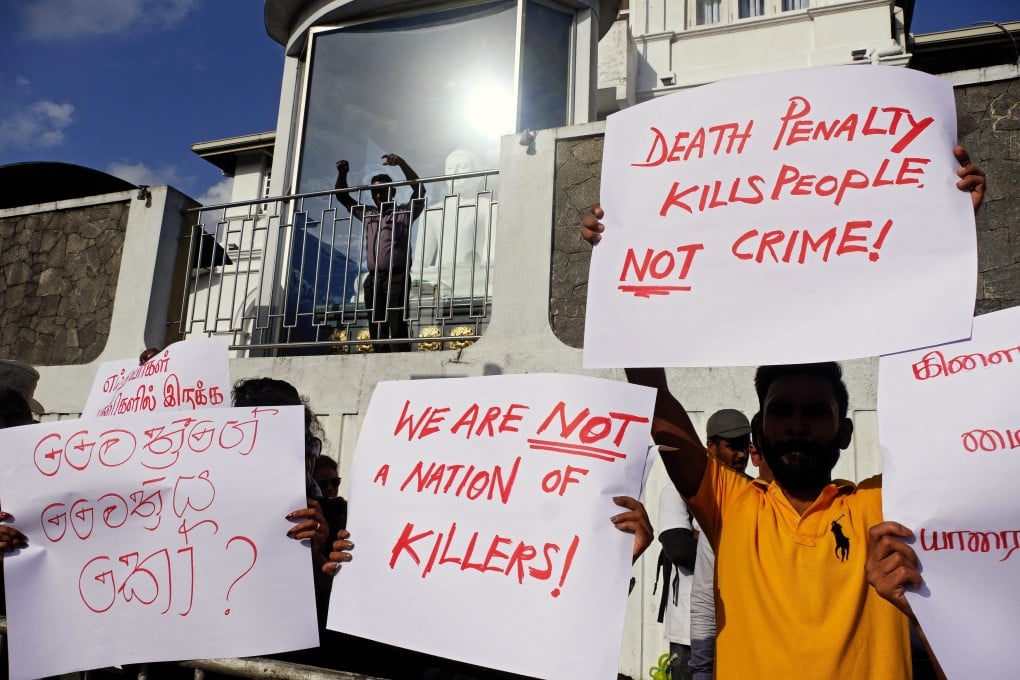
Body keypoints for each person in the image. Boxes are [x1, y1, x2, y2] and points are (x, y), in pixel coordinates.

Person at [578, 147, 985, 678]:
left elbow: (949, 390)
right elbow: (656, 402)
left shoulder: (884, 505)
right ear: (759, 432)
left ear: (844, 431)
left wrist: (954, 234)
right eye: (782, 410)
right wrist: (617, 270)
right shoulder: (731, 504)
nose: (796, 423)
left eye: (814, 411)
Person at [685, 410, 753, 680]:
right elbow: (704, 589)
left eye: (745, 446)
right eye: (732, 446)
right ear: (710, 447)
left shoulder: (757, 497)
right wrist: (702, 659)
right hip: (714, 638)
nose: (741, 455)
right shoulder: (686, 491)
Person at [335, 153, 426, 353]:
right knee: (375, 322)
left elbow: (420, 190)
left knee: (396, 320)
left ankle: (400, 359)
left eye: (382, 190)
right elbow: (342, 196)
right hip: (374, 277)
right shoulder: (368, 214)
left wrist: (402, 163)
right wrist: (342, 174)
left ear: (392, 192)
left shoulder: (403, 212)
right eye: (374, 191)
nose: (377, 195)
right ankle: (379, 359)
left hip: (397, 276)